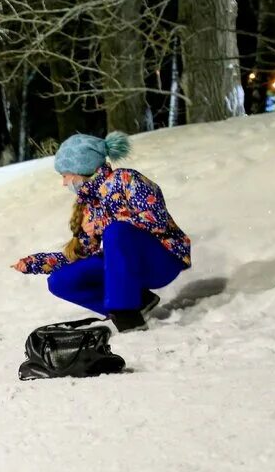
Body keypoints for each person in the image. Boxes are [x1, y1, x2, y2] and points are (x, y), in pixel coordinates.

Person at [12, 131, 191, 332]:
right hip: (126, 269)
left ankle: (126, 313)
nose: (64, 183)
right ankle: (139, 302)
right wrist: (36, 262)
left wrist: (102, 224)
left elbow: (156, 220)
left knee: (116, 231)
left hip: (161, 261)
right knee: (60, 281)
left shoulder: (126, 179)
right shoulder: (89, 203)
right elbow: (81, 254)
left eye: (65, 176)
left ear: (82, 167)